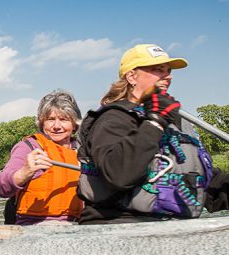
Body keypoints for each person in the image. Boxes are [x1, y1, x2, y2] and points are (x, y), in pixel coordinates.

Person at [77, 43, 229, 224]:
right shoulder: (112, 118)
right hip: (119, 226)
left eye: (168, 70)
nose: (168, 76)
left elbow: (204, 179)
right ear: (132, 76)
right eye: (158, 70)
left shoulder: (174, 121)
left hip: (171, 228)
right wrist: (155, 122)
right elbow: (118, 174)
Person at [0, 90, 83, 225]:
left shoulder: (84, 151)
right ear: (42, 123)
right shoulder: (29, 147)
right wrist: (24, 173)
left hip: (78, 224)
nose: (57, 126)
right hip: (35, 225)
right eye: (50, 119)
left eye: (64, 119)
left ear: (74, 124)